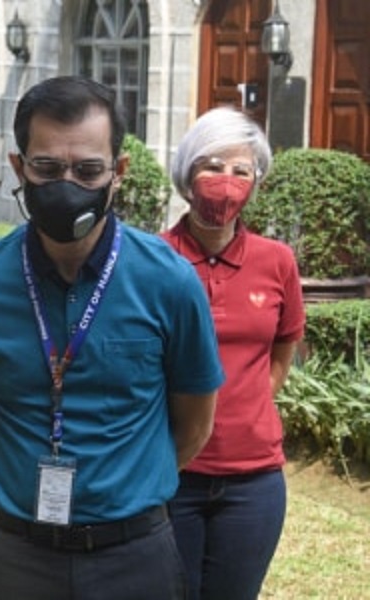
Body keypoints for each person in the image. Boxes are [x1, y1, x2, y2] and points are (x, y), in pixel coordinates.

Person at [0, 75, 225, 599]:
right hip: (18, 555)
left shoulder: (170, 283)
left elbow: (194, 427)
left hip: (135, 556)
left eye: (88, 170)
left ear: (119, 173)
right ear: (18, 168)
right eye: (47, 168)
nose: (67, 184)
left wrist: (120, 489)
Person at [160, 106, 305, 599]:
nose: (227, 181)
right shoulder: (155, 259)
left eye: (241, 170)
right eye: (213, 166)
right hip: (171, 474)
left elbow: (284, 344)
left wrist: (249, 404)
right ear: (187, 175)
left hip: (253, 482)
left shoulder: (276, 261)